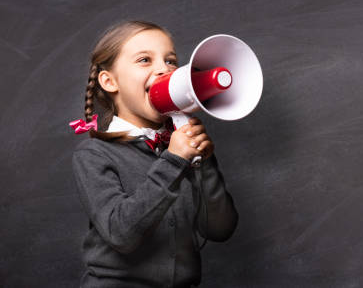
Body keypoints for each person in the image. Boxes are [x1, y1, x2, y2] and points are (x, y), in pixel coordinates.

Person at [69, 20, 239, 288]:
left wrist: (203, 164)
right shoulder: (94, 154)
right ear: (110, 81)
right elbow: (121, 234)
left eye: (170, 61)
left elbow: (219, 229)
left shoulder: (180, 148)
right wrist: (173, 161)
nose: (163, 69)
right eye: (145, 60)